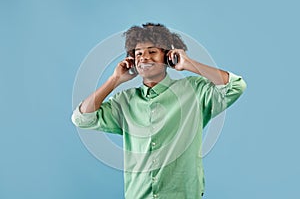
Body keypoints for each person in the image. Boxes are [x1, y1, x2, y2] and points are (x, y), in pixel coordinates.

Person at [71, 23, 246, 199]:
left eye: (152, 51)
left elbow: (235, 86)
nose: (144, 57)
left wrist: (188, 63)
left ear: (168, 57)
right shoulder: (124, 101)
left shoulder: (194, 91)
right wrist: (114, 79)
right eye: (138, 53)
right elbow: (82, 118)